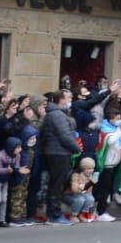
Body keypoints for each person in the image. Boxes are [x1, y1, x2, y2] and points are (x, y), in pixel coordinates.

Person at [41, 89, 80, 225]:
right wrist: (77, 149)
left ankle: (54, 214)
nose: (71, 99)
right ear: (61, 99)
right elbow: (65, 136)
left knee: (56, 185)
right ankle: (54, 216)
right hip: (58, 153)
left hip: (59, 152)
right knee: (56, 186)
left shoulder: (60, 114)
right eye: (69, 97)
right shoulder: (57, 115)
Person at [63, 157, 96, 223]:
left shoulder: (90, 176)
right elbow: (74, 189)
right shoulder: (76, 174)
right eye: (89, 168)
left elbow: (88, 192)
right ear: (83, 168)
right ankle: (73, 216)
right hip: (69, 194)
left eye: (92, 168)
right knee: (80, 199)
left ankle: (81, 214)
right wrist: (87, 184)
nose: (91, 170)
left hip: (81, 194)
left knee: (90, 198)